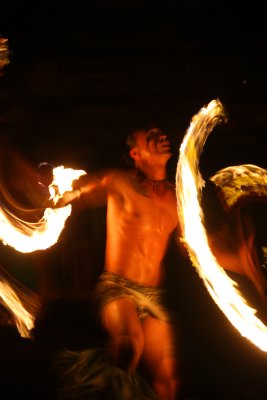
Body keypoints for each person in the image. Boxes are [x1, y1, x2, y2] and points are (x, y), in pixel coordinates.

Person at [54, 126, 182, 399]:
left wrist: (241, 264)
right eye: (150, 137)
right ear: (136, 153)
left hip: (153, 296)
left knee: (168, 381)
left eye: (160, 134)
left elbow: (198, 251)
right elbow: (81, 190)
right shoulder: (118, 182)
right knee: (129, 346)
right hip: (117, 288)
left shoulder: (177, 199)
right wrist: (61, 195)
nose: (160, 137)